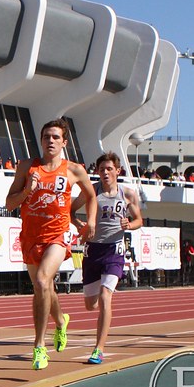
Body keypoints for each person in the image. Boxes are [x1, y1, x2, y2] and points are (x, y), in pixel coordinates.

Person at [6, 118, 96, 370]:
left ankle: (38, 346)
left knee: (43, 281)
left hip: (57, 235)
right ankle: (60, 321)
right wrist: (26, 191)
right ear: (41, 140)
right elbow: (9, 203)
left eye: (56, 137)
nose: (51, 141)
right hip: (31, 237)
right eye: (47, 137)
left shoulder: (74, 170)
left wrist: (89, 221)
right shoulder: (26, 167)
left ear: (64, 142)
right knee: (43, 289)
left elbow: (91, 195)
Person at [70, 152, 141, 365]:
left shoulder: (127, 194)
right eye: (102, 169)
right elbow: (70, 211)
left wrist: (130, 224)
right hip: (92, 250)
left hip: (114, 251)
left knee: (105, 296)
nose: (105, 173)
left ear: (117, 171)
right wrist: (80, 224)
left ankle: (98, 349)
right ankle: (98, 338)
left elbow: (139, 220)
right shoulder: (91, 191)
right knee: (90, 305)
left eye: (109, 169)